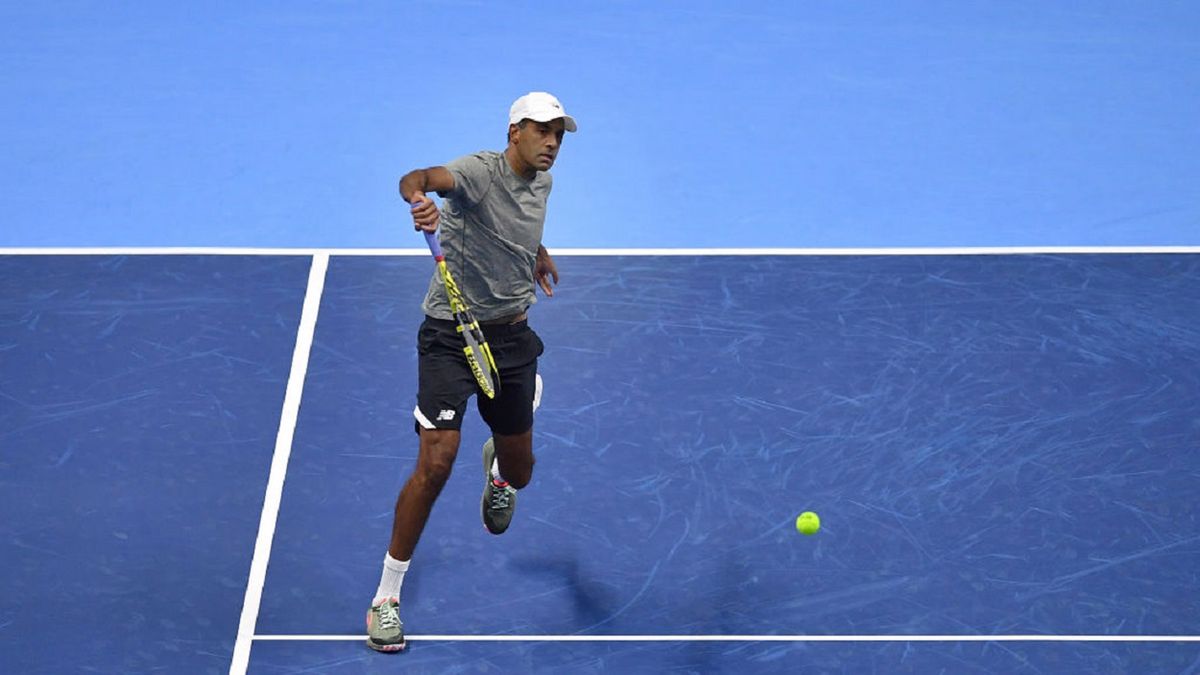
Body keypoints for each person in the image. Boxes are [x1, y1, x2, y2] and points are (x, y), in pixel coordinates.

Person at [366, 92, 577, 653]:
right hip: (450, 335)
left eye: (559, 133)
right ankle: (386, 597)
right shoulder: (477, 173)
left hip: (511, 337)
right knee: (435, 462)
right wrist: (419, 199)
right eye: (542, 131)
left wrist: (535, 253)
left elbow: (513, 226)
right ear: (515, 133)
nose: (552, 142)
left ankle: (500, 474)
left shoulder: (544, 181)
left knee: (523, 471)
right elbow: (418, 176)